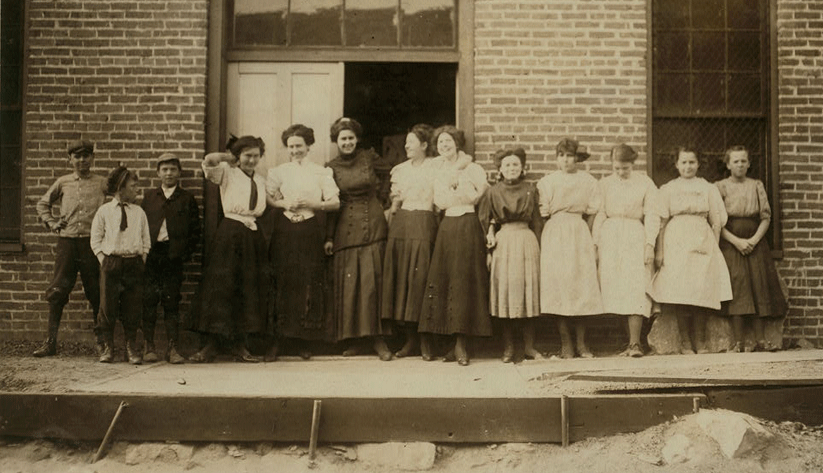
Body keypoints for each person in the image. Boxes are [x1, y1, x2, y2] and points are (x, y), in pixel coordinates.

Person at [189, 135, 271, 363]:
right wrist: (231, 157)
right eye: (247, 155)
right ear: (239, 156)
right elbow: (209, 160)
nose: (252, 160)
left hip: (252, 235)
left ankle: (240, 345)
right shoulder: (227, 172)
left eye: (256, 156)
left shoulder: (262, 180)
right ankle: (211, 346)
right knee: (222, 287)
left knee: (247, 288)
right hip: (230, 232)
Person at [418, 125, 492, 366]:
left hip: (468, 224)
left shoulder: (473, 168)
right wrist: (451, 189)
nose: (444, 146)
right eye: (440, 142)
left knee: (463, 281)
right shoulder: (437, 169)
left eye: (448, 141)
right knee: (444, 280)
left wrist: (457, 185)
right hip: (447, 226)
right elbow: (439, 200)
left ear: (457, 143)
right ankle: (448, 343)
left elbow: (475, 195)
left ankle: (463, 344)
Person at [648, 148, 733, 354]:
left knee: (701, 292)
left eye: (692, 162)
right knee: (681, 293)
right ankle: (685, 341)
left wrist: (714, 247)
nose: (688, 167)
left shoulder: (707, 188)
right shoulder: (668, 189)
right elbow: (661, 222)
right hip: (675, 242)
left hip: (702, 241)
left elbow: (717, 221)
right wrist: (659, 252)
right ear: (676, 164)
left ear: (698, 164)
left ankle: (701, 341)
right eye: (683, 162)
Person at [266, 124, 340, 360]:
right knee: (283, 282)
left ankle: (302, 342)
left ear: (309, 146)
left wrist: (313, 204)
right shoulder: (279, 171)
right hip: (285, 229)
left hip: (309, 229)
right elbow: (268, 198)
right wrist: (283, 204)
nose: (295, 150)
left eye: (299, 146)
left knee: (307, 282)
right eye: (291, 146)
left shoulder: (321, 172)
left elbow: (335, 203)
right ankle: (279, 340)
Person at [324, 117, 393, 361]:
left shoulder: (369, 158)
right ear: (336, 141)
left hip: (373, 223)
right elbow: (331, 202)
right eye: (343, 138)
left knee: (372, 284)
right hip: (345, 227)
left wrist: (384, 201)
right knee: (351, 287)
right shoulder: (330, 167)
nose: (348, 142)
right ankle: (355, 341)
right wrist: (330, 236)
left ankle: (378, 339)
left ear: (357, 139)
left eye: (351, 138)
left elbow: (391, 174)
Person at [34, 139, 108, 357]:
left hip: (91, 244)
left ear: (92, 158)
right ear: (70, 159)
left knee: (96, 292)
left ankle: (102, 343)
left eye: (86, 156)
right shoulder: (63, 182)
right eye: (77, 156)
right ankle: (50, 342)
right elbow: (42, 204)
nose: (82, 160)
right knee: (57, 291)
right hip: (67, 243)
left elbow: (118, 202)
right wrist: (52, 222)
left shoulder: (102, 183)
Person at [716, 146, 788, 352]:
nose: (740, 165)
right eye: (735, 161)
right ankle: (738, 342)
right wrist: (736, 241)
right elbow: (716, 221)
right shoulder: (720, 187)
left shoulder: (756, 185)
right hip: (731, 241)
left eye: (743, 161)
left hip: (756, 242)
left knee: (758, 285)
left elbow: (766, 217)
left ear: (749, 163)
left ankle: (761, 340)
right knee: (738, 286)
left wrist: (754, 240)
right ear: (728, 164)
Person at [537, 138, 603, 359]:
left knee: (581, 286)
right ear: (557, 158)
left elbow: (593, 211)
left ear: (577, 158)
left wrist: (589, 235)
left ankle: (582, 344)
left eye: (570, 156)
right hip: (556, 231)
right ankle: (566, 343)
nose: (566, 161)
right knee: (560, 287)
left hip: (579, 231)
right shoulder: (547, 182)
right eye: (562, 156)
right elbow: (543, 214)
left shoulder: (588, 181)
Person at [592, 144, 659, 358]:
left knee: (635, 287)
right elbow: (600, 213)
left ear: (633, 164)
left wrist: (650, 244)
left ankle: (635, 344)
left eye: (625, 168)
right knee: (615, 289)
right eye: (617, 168)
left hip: (634, 235)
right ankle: (624, 342)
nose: (621, 172)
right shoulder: (604, 184)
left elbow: (652, 214)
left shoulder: (645, 183)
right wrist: (595, 244)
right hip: (610, 236)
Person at [479, 148, 544, 363]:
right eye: (507, 165)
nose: (511, 168)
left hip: (526, 241)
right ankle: (508, 347)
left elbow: (536, 221)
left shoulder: (530, 190)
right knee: (505, 293)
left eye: (515, 164)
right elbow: (485, 221)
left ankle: (529, 347)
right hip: (504, 242)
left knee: (528, 293)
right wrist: (488, 249)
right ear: (500, 169)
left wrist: (540, 248)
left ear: (523, 167)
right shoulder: (492, 192)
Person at [381, 124, 440, 359]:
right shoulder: (399, 170)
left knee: (421, 280)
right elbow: (394, 202)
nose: (406, 146)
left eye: (411, 142)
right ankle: (410, 340)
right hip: (402, 224)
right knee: (403, 280)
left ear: (424, 145)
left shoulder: (436, 166)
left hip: (425, 220)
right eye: (406, 142)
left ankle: (426, 340)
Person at [140, 153, 201, 364]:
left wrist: (183, 254)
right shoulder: (149, 198)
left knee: (171, 301)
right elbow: (139, 227)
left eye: (173, 169)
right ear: (158, 173)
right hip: (151, 256)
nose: (169, 173)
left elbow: (195, 231)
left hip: (173, 257)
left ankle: (173, 348)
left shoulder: (186, 198)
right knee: (149, 300)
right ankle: (149, 346)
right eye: (164, 169)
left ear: (179, 173)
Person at [90, 166, 152, 364]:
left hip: (133, 263)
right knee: (107, 306)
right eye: (133, 186)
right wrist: (104, 261)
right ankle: (108, 346)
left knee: (132, 306)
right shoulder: (104, 211)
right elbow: (95, 239)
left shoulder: (139, 212)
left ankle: (130, 347)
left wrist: (141, 259)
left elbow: (146, 240)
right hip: (111, 263)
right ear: (120, 187)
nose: (136, 190)